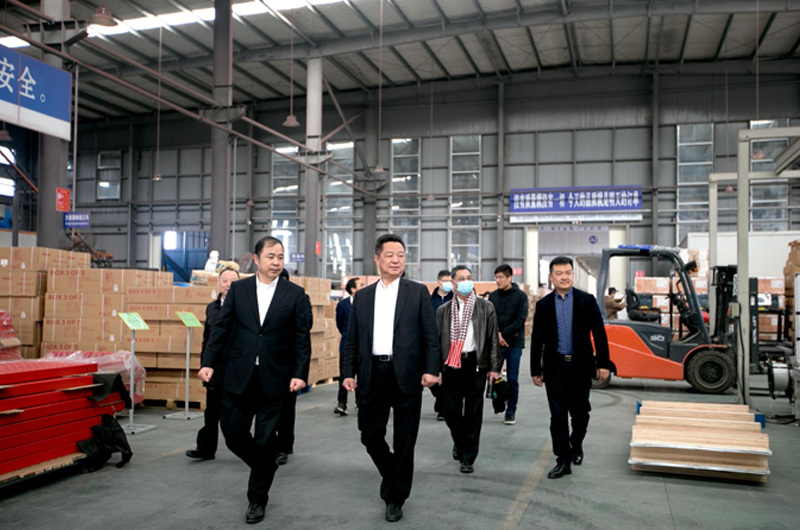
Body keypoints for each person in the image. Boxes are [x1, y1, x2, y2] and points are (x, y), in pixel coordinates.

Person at [198, 237, 312, 524]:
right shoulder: (239, 290)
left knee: (264, 439)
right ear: (257, 260)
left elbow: (301, 339)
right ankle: (265, 465)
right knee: (232, 433)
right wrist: (208, 362)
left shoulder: (295, 294)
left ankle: (257, 500)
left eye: (281, 257)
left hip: (276, 378)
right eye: (271, 256)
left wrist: (300, 373)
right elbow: (221, 329)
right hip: (240, 375)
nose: (276, 262)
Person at [341, 234, 440, 523]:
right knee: (370, 435)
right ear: (377, 259)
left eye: (401, 255)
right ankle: (392, 474)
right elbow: (352, 338)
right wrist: (347, 372)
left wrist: (431, 369)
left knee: (405, 439)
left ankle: (396, 498)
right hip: (372, 373)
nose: (396, 260)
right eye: (390, 255)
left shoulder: (417, 292)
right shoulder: (363, 297)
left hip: (407, 374)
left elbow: (430, 336)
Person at [530, 256, 611, 480]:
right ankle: (563, 460)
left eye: (567, 273)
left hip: (581, 366)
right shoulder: (544, 305)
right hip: (555, 367)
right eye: (559, 273)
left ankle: (576, 444)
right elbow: (537, 339)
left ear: (573, 275)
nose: (564, 277)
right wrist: (536, 369)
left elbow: (599, 333)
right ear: (551, 277)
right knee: (557, 416)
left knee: (581, 412)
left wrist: (603, 363)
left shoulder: (587, 300)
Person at [436, 265, 500, 474]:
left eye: (469, 277)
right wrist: (436, 369)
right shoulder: (443, 310)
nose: (466, 281)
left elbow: (492, 338)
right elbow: (436, 340)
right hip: (451, 365)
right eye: (462, 278)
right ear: (454, 284)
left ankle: (468, 457)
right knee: (450, 411)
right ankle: (460, 440)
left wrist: (494, 367)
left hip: (475, 364)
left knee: (473, 412)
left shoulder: (485, 307)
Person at [186, 267, 240, 461]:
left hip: (237, 367)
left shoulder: (245, 308)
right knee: (211, 410)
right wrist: (204, 364)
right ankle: (206, 449)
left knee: (237, 413)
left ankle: (248, 449)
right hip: (216, 367)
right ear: (218, 283)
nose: (229, 285)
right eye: (225, 280)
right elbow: (207, 340)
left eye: (233, 281)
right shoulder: (212, 308)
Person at [488, 264, 529, 425]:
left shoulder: (520, 296)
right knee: (492, 376)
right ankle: (499, 403)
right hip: (496, 344)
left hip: (514, 344)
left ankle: (511, 411)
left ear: (510, 278)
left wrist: (503, 335)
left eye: (500, 277)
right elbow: (490, 319)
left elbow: (520, 320)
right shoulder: (493, 297)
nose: (497, 280)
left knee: (512, 378)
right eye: (496, 277)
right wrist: (497, 336)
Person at [275, 268, 300, 466]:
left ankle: (284, 446)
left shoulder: (297, 298)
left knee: (286, 409)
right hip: (266, 364)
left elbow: (303, 330)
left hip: (287, 364)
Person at [334, 277, 364, 416]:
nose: (363, 287)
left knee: (362, 374)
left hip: (363, 345)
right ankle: (342, 403)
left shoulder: (366, 303)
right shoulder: (343, 305)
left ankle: (360, 401)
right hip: (347, 344)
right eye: (360, 285)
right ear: (353, 289)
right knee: (344, 374)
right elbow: (340, 323)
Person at [429, 270, 454, 421]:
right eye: (446, 281)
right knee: (430, 375)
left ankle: (443, 408)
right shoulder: (430, 300)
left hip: (450, 342)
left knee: (448, 375)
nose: (448, 284)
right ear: (438, 282)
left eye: (451, 281)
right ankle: (440, 397)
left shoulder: (455, 299)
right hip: (432, 342)